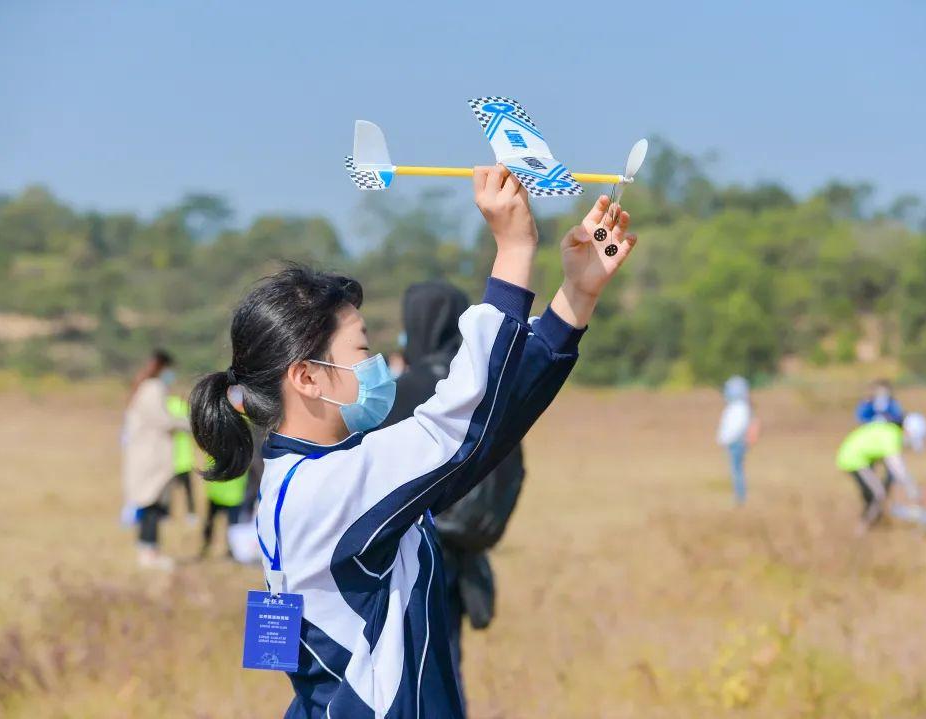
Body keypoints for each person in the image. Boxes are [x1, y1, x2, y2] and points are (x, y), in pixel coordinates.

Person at [189, 166, 637, 718]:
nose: (377, 365)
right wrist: (514, 249)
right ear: (306, 377)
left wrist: (576, 296)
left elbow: (487, 428)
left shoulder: (315, 476)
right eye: (361, 349)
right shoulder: (328, 489)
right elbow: (459, 427)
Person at [379, 281, 527, 709]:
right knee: (448, 659)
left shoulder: (403, 390)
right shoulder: (477, 383)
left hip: (410, 549)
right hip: (464, 548)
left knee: (406, 666)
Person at [122, 349, 190, 570]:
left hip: (146, 454)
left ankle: (148, 549)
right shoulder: (153, 388)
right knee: (152, 505)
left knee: (149, 504)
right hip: (151, 457)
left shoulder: (144, 387)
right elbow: (162, 420)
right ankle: (149, 552)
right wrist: (187, 423)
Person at [835, 413, 926, 535]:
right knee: (879, 494)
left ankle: (874, 524)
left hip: (860, 459)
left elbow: (893, 469)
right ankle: (861, 531)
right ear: (908, 431)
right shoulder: (892, 436)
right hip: (853, 459)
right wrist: (912, 490)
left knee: (878, 493)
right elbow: (898, 468)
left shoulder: (891, 432)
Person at [716, 376, 760, 505]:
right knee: (736, 470)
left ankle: (740, 498)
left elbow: (736, 427)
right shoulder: (738, 407)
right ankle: (739, 497)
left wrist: (724, 439)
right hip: (734, 443)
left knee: (737, 471)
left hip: (736, 443)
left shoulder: (739, 408)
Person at [201, 462, 248, 558]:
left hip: (228, 494)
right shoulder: (244, 450)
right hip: (228, 494)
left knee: (232, 526)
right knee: (232, 526)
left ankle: (232, 551)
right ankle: (231, 551)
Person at [166, 393, 199, 523]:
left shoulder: (168, 405)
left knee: (176, 490)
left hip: (179, 459)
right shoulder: (180, 406)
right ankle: (184, 513)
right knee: (177, 490)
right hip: (176, 459)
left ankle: (184, 513)